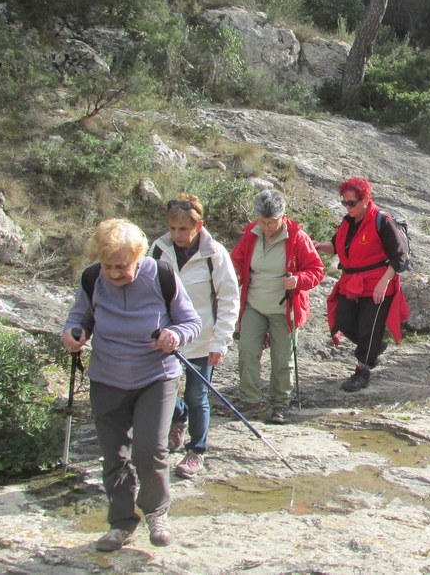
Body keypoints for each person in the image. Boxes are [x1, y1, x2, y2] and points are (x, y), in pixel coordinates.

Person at [63, 219, 202, 552]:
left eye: (122, 266)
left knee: (149, 450)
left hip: (156, 375)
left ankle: (156, 512)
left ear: (139, 257)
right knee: (114, 456)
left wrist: (175, 336)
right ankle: (121, 523)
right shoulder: (92, 278)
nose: (114, 273)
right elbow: (78, 318)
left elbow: (191, 322)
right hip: (107, 378)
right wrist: (73, 335)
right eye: (108, 266)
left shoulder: (161, 275)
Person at [149, 195, 240, 478]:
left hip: (203, 339)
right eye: (172, 228)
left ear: (198, 226)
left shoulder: (215, 254)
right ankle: (179, 418)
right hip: (167, 339)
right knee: (158, 392)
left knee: (197, 394)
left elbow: (228, 298)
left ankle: (196, 451)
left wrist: (221, 341)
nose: (176, 235)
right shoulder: (157, 249)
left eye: (183, 229)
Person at [231, 189, 324, 423]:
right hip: (254, 305)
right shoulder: (251, 234)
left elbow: (316, 269)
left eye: (271, 222)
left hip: (285, 309)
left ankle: (280, 404)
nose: (267, 227)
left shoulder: (297, 237)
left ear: (282, 216)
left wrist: (298, 280)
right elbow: (236, 261)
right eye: (262, 221)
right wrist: (236, 275)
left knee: (282, 358)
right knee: (247, 352)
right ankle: (249, 401)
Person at [315, 177, 410, 392]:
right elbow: (337, 246)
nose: (348, 207)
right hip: (353, 282)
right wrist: (319, 246)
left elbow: (400, 257)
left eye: (352, 203)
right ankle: (374, 346)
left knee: (369, 327)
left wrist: (383, 283)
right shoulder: (348, 221)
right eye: (344, 203)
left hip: (377, 283)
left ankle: (362, 371)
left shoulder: (382, 220)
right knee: (343, 320)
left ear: (366, 199)